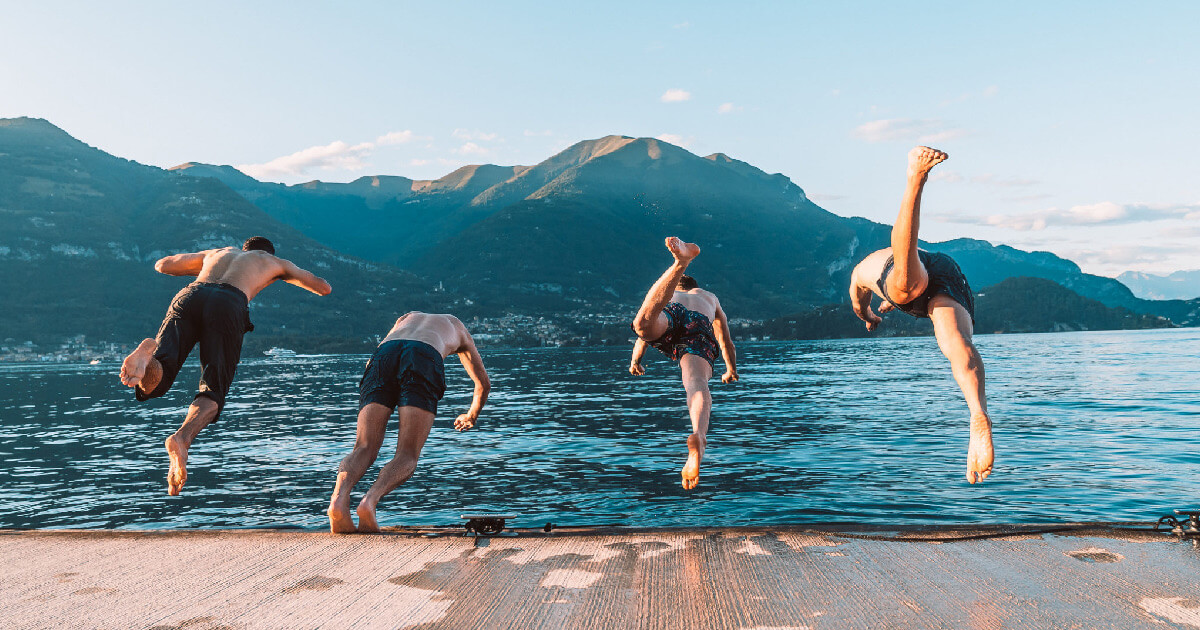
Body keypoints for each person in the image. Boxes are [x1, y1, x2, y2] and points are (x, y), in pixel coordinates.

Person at [118, 236, 332, 495]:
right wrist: (283, 274)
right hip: (229, 303)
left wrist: (209, 269)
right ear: (268, 252)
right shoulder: (275, 262)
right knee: (212, 389)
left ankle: (147, 353)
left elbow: (163, 265)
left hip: (190, 294)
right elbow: (323, 287)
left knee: (157, 383)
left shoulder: (218, 252)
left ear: (243, 249)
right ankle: (182, 438)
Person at [848, 146, 994, 483]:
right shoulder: (882, 277)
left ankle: (915, 180)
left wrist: (870, 317)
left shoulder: (859, 275)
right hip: (946, 270)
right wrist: (884, 306)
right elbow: (891, 297)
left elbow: (860, 307)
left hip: (906, 274)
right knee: (955, 341)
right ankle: (978, 412)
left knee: (904, 287)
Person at [327, 312, 490, 533]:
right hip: (424, 355)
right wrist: (471, 416)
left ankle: (338, 499)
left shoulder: (406, 318)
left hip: (382, 356)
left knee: (364, 446)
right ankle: (369, 502)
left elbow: (372, 362)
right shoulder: (458, 327)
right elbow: (482, 383)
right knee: (407, 454)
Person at [630, 237, 738, 490]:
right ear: (696, 286)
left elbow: (643, 339)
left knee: (642, 326)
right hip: (699, 325)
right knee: (696, 383)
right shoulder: (710, 298)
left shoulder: (674, 294)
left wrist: (636, 361)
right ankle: (699, 436)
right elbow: (727, 342)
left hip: (671, 312)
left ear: (676, 286)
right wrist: (731, 369)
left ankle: (680, 263)